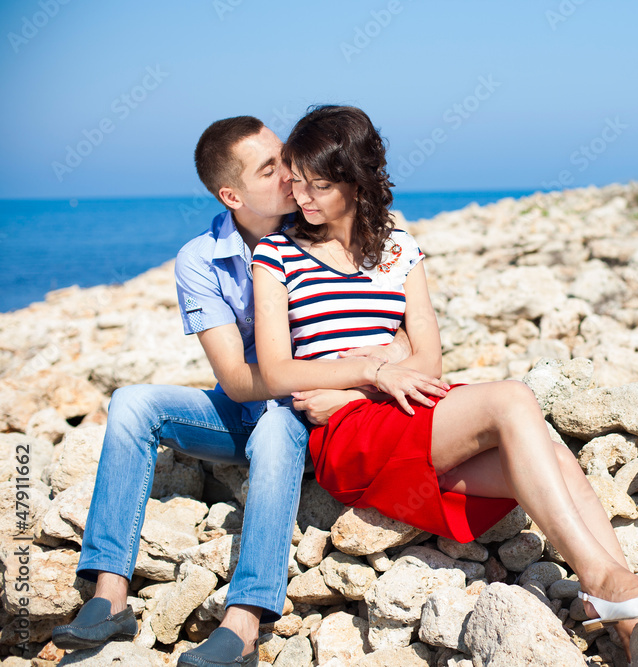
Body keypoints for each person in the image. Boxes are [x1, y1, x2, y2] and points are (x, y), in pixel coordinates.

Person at [251, 105, 638, 659]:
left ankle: (629, 631)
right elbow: (277, 371)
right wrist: (376, 367)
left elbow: (428, 360)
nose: (303, 198)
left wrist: (359, 382)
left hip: (395, 404)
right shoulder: (277, 254)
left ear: (357, 182)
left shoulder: (397, 248)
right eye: (298, 182)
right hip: (349, 434)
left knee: (555, 460)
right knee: (512, 397)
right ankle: (602, 581)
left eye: (320, 186)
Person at [53, 116, 408, 667]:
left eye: (285, 157)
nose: (291, 174)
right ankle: (109, 596)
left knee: (278, 423)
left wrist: (362, 375)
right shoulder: (199, 260)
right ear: (232, 196)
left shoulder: (324, 221)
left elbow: (399, 327)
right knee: (131, 403)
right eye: (270, 169)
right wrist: (358, 367)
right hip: (244, 409)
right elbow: (239, 381)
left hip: (314, 414)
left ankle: (244, 621)